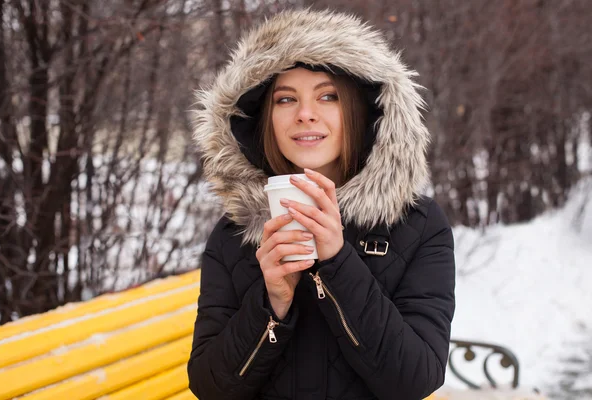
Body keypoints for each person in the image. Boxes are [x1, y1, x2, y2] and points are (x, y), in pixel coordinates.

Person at [187, 8, 455, 400]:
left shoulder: (417, 225)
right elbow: (210, 387)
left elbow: (416, 379)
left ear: (362, 112)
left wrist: (337, 262)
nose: (305, 114)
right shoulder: (234, 235)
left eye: (328, 96)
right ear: (264, 119)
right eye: (285, 99)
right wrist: (272, 301)